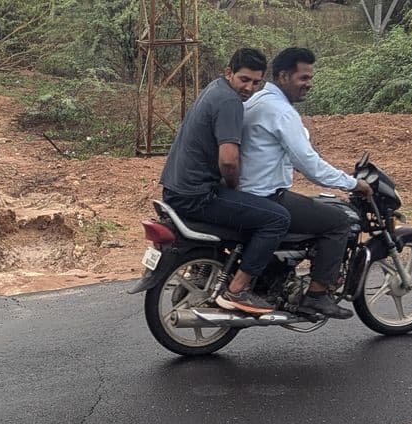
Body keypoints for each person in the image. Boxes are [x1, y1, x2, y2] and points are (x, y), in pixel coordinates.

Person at [239, 46, 373, 319]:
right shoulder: (281, 112)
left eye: (310, 78)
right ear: (284, 76)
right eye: (303, 78)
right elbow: (310, 165)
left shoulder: (256, 101)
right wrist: (352, 183)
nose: (308, 85)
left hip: (245, 193)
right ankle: (316, 294)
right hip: (265, 196)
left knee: (311, 209)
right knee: (337, 222)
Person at [159, 47, 291, 316]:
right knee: (277, 218)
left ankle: (202, 270)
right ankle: (238, 289)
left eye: (256, 82)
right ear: (229, 72)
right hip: (196, 196)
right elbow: (228, 160)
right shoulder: (230, 102)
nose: (249, 88)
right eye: (244, 79)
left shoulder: (214, 89)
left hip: (175, 190)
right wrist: (236, 188)